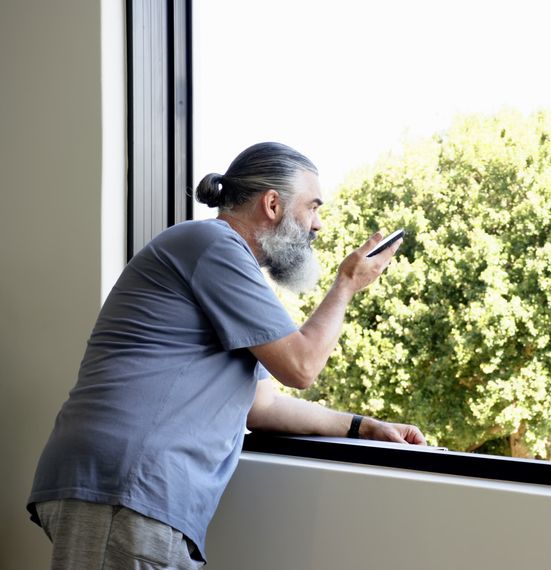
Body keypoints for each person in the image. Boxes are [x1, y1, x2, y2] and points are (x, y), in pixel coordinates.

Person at [27, 142, 426, 568]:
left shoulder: (223, 263)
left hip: (131, 493)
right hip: (125, 487)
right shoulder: (214, 245)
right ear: (272, 204)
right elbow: (302, 366)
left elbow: (262, 407)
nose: (318, 225)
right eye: (312, 207)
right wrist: (346, 284)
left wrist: (363, 427)